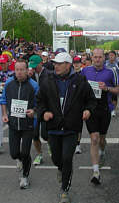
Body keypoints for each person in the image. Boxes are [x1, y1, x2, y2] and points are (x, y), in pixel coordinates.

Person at [37, 52, 96, 203]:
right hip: (53, 127)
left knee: (67, 158)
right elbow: (39, 101)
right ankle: (60, 169)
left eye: (59, 63)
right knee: (57, 159)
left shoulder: (80, 80)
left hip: (71, 127)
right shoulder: (47, 80)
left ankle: (64, 189)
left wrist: (88, 110)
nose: (55, 66)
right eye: (55, 63)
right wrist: (43, 112)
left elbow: (91, 100)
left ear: (68, 65)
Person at [82, 48, 119, 185]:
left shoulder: (111, 72)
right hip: (90, 110)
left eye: (100, 57)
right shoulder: (85, 71)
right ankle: (96, 171)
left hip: (104, 109)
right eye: (95, 57)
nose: (97, 59)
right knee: (94, 138)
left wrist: (107, 89)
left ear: (103, 58)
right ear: (91, 58)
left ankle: (103, 149)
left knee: (101, 139)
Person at [0, 59, 39, 189]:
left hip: (28, 124)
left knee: (25, 152)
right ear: (14, 70)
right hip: (13, 124)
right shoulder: (9, 83)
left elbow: (40, 103)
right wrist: (5, 115)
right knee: (14, 153)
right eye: (17, 69)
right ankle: (22, 161)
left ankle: (25, 177)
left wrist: (33, 111)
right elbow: (3, 99)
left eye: (22, 69)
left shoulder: (34, 85)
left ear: (27, 70)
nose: (19, 72)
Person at [28, 55, 52, 165]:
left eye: (35, 66)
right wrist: (28, 77)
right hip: (34, 107)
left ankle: (51, 147)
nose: (33, 68)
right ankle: (39, 154)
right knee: (34, 134)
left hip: (46, 107)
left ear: (41, 63)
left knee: (45, 134)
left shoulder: (49, 74)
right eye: (31, 66)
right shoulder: (30, 75)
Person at [0, 54, 14, 154]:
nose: (3, 65)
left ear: (8, 63)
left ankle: (14, 142)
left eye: (4, 63)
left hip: (10, 100)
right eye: (1, 63)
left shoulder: (12, 74)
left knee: (11, 121)